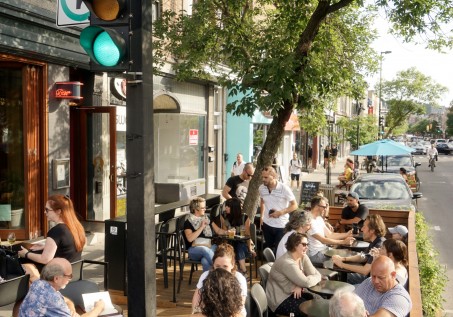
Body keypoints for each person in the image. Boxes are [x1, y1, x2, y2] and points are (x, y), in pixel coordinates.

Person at [18, 195, 86, 282]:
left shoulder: (56, 231)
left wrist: (26, 254)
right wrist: (45, 246)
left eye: (47, 210)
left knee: (23, 264)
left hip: (56, 277)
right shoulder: (76, 226)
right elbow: (69, 245)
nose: (44, 212)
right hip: (72, 273)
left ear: (58, 211)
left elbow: (45, 259)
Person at [19, 258, 105, 317]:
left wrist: (71, 309)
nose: (70, 279)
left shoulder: (38, 283)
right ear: (56, 278)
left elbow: (66, 300)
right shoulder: (52, 298)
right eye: (69, 276)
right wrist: (98, 308)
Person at [266, 232, 321, 317]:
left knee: (319, 301)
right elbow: (306, 282)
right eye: (304, 244)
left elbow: (312, 273)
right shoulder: (287, 262)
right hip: (281, 299)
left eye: (307, 244)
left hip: (294, 293)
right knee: (311, 311)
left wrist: (300, 284)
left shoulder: (302, 256)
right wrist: (315, 277)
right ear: (295, 245)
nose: (307, 247)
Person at [192, 244, 247, 316]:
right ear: (213, 265)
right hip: (210, 312)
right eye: (218, 266)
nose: (221, 270)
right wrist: (196, 312)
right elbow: (196, 300)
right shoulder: (206, 275)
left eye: (225, 266)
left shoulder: (239, 278)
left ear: (232, 264)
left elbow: (239, 306)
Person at [331, 214, 387, 284]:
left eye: (364, 226)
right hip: (370, 278)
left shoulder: (379, 246)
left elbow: (365, 270)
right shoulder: (376, 241)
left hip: (372, 282)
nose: (361, 229)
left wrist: (342, 265)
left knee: (341, 276)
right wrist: (343, 259)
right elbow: (364, 257)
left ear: (372, 230)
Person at [259, 165, 298, 254]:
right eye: (262, 177)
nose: (263, 179)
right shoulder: (261, 188)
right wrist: (261, 216)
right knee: (269, 250)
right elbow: (262, 201)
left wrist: (281, 212)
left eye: (266, 177)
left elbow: (295, 205)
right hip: (267, 224)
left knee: (279, 251)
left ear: (274, 176)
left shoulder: (284, 188)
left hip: (281, 226)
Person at [306, 196, 355, 265]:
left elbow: (330, 235)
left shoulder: (319, 218)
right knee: (345, 258)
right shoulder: (309, 221)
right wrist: (343, 242)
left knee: (349, 255)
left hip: (324, 250)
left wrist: (347, 234)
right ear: (317, 207)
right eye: (324, 207)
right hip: (316, 255)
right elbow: (323, 240)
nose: (326, 209)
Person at [183, 197, 225, 272]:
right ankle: (221, 270)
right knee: (203, 249)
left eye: (205, 207)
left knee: (205, 261)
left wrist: (227, 232)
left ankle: (208, 282)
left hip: (209, 246)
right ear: (196, 209)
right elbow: (190, 238)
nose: (205, 209)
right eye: (203, 208)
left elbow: (218, 230)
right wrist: (201, 227)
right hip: (194, 250)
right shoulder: (188, 222)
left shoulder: (207, 218)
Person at [218, 198, 254, 274]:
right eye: (226, 206)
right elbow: (224, 232)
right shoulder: (223, 216)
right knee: (233, 248)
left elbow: (247, 235)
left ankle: (242, 271)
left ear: (234, 208)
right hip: (229, 243)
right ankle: (243, 271)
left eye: (228, 206)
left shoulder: (245, 218)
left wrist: (250, 248)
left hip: (243, 244)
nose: (226, 208)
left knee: (239, 246)